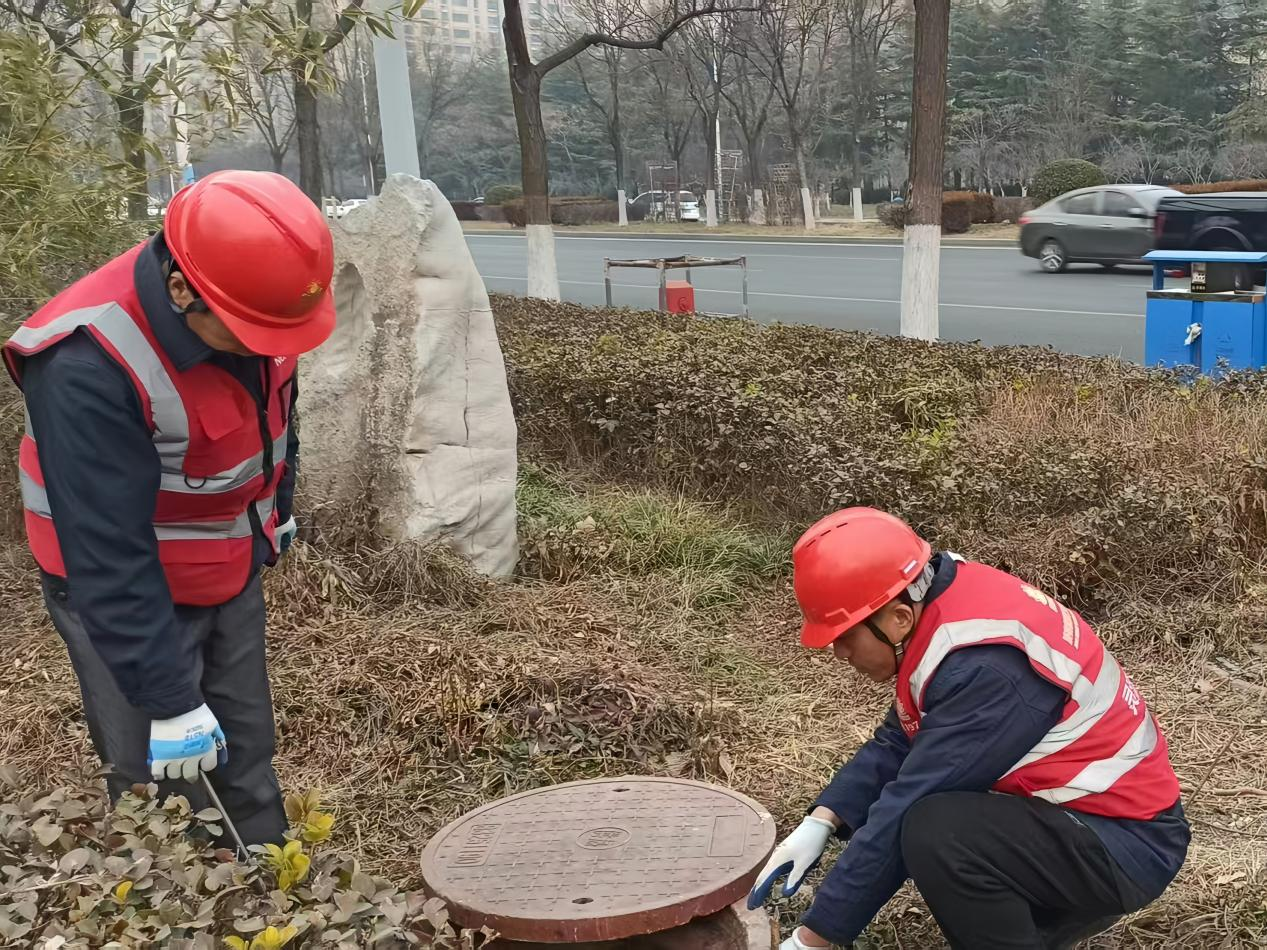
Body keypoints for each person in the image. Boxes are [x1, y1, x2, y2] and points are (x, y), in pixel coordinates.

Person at [4, 170, 336, 846]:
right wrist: (169, 697)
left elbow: (276, 424)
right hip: (123, 593)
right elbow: (106, 553)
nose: (269, 349)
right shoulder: (86, 363)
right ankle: (182, 893)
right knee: (160, 786)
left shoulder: (256, 310)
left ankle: (270, 885)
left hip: (227, 568)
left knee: (246, 755)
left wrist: (275, 510)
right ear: (182, 290)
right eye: (249, 335)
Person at [749, 507, 1189, 950]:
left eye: (846, 637)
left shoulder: (987, 670)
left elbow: (907, 801)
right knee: (940, 823)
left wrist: (813, 939)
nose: (840, 653)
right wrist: (824, 819)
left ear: (898, 618)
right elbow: (905, 737)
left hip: (1124, 842)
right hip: (1084, 818)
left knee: (938, 832)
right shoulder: (945, 604)